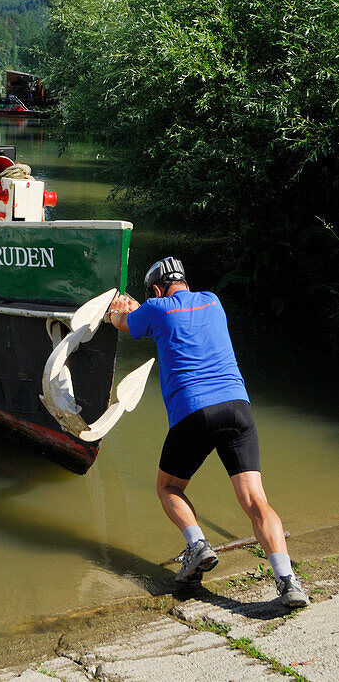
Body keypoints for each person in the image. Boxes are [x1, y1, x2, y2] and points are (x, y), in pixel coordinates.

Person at [108, 256, 309, 609]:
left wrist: (116, 309)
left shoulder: (155, 308)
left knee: (168, 487)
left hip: (194, 411)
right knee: (255, 501)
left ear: (156, 289)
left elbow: (125, 323)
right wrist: (144, 309)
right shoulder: (214, 302)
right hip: (237, 407)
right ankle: (288, 581)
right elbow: (172, 316)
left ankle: (197, 545)